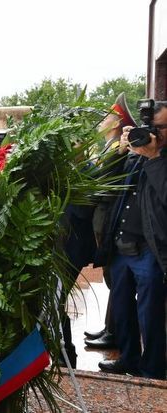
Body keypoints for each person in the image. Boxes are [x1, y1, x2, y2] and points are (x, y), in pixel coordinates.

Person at [94, 100, 167, 379]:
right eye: (149, 127)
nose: (152, 133)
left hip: (151, 249)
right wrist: (122, 149)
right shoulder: (135, 153)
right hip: (121, 246)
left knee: (149, 313)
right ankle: (128, 358)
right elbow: (104, 182)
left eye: (158, 128)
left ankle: (153, 368)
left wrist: (155, 159)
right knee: (122, 309)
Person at [85, 93, 136, 350]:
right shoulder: (108, 145)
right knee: (110, 275)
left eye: (107, 116)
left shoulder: (118, 146)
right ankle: (110, 328)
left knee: (114, 276)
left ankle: (115, 333)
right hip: (100, 216)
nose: (102, 120)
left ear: (116, 122)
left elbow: (100, 175)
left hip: (108, 216)